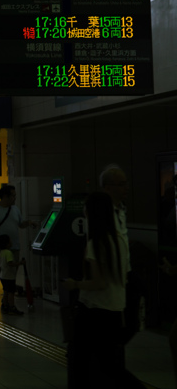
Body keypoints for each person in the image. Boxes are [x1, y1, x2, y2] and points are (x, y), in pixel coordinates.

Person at [64, 191, 142, 388]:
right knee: (110, 365)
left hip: (93, 312)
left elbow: (99, 283)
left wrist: (75, 284)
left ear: (91, 212)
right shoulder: (120, 240)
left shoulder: (95, 244)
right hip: (115, 310)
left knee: (80, 362)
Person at [101, 165, 138, 346]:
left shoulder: (121, 210)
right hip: (110, 276)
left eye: (126, 184)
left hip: (125, 273)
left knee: (132, 322)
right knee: (116, 323)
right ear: (107, 187)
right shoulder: (99, 213)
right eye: (121, 184)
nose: (126, 188)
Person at [0, 184, 35, 313]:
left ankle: (6, 302)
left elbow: (20, 224)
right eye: (13, 195)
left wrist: (28, 223)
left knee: (10, 276)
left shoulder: (15, 209)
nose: (15, 198)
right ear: (5, 196)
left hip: (13, 248)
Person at [0, 235, 24, 315]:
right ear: (7, 244)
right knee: (11, 292)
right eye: (10, 241)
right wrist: (20, 263)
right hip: (9, 276)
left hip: (3, 275)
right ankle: (12, 307)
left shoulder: (1, 252)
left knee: (6, 291)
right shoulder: (8, 253)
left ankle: (5, 306)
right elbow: (10, 263)